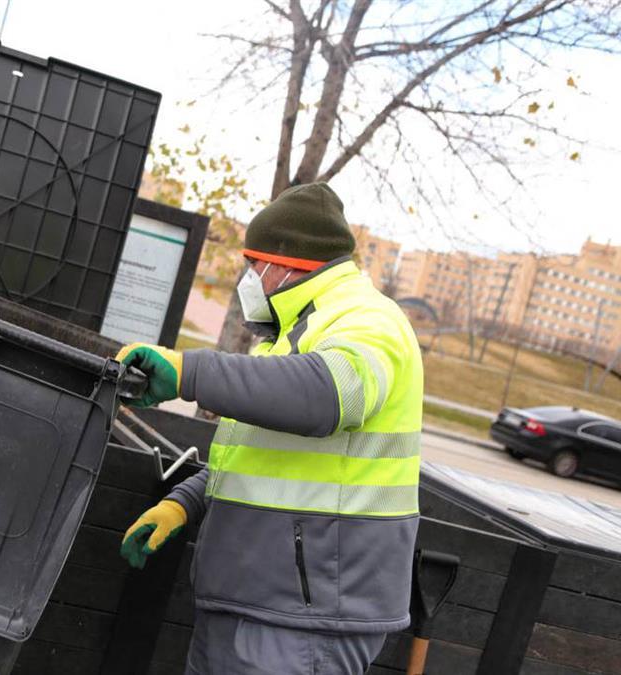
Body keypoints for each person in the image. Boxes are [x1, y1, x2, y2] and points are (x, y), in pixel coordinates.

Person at [117, 183, 423, 675]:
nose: (250, 278)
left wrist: (189, 373)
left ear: (284, 264)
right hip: (256, 603)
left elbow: (328, 395)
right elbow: (261, 457)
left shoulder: (368, 318)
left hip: (304, 621)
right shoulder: (292, 336)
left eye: (253, 266)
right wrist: (185, 503)